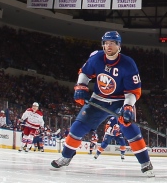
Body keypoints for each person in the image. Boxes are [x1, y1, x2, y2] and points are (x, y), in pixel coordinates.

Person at [51, 31, 154, 177]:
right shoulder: (97, 57)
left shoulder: (128, 63)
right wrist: (81, 85)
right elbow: (85, 73)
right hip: (98, 99)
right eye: (106, 43)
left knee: (130, 128)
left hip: (120, 101)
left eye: (112, 43)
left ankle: (145, 162)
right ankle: (66, 157)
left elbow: (133, 90)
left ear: (119, 46)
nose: (108, 46)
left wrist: (128, 106)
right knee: (77, 127)